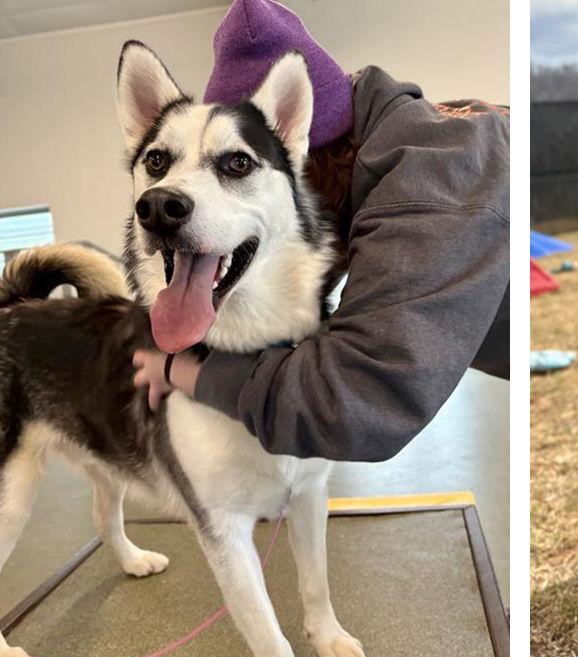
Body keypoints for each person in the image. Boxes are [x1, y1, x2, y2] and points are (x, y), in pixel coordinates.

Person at [132, 0, 509, 461]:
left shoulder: (434, 182)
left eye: (237, 165)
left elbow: (353, 406)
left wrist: (181, 372)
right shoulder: (406, 140)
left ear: (304, 151)